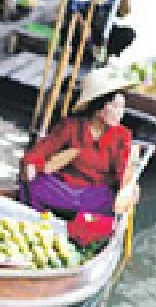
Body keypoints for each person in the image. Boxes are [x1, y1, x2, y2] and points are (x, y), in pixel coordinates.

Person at [20, 68, 141, 219]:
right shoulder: (71, 126)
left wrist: (129, 187)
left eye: (122, 107)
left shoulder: (122, 135)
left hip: (95, 195)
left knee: (110, 200)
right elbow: (42, 150)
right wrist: (31, 165)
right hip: (63, 188)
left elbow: (122, 171)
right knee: (33, 185)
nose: (120, 113)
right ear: (98, 108)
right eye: (115, 107)